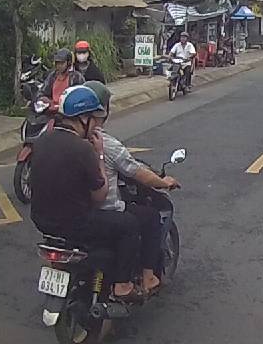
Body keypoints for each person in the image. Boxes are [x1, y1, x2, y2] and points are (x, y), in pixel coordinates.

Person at [29, 85, 142, 300]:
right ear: (83, 118)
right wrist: (99, 154)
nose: (96, 125)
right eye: (93, 119)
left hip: (41, 220)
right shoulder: (83, 149)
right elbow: (99, 196)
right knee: (129, 225)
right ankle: (123, 286)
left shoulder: (43, 140)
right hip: (74, 224)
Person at [83, 81, 177, 295]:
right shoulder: (106, 144)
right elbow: (136, 172)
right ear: (103, 110)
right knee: (149, 218)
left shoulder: (66, 140)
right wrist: (164, 182)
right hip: (104, 210)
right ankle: (146, 277)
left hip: (72, 212)